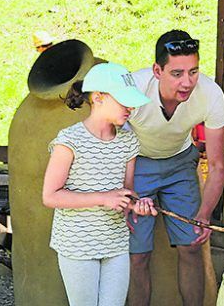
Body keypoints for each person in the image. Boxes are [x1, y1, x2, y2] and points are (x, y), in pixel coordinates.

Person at [42, 62, 157, 306]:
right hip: (77, 245)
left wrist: (137, 204)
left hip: (115, 243)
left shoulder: (129, 141)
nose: (131, 107)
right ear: (98, 97)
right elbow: (51, 196)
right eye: (124, 100)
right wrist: (104, 198)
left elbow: (125, 193)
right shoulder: (69, 140)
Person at [127, 30, 224, 306]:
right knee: (137, 255)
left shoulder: (211, 94)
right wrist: (126, 194)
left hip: (180, 163)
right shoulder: (133, 89)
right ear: (157, 70)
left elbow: (218, 165)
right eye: (177, 73)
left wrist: (205, 214)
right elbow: (112, 146)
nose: (187, 82)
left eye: (193, 72)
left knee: (192, 245)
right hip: (136, 163)